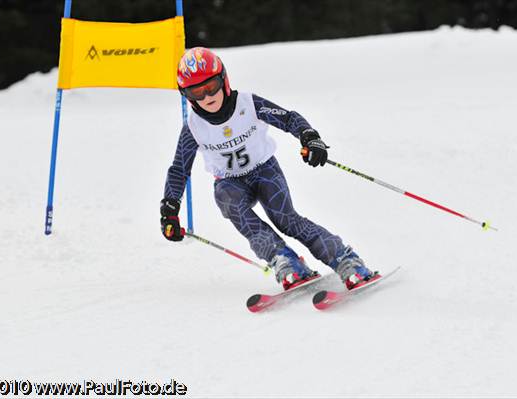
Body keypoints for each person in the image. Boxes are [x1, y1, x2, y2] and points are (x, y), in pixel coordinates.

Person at [160, 47, 376, 290]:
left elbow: (288, 118)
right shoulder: (193, 127)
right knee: (226, 199)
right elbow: (179, 169)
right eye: (196, 92)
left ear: (224, 80)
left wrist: (309, 137)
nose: (207, 96)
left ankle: (346, 261)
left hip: (264, 171)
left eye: (210, 87)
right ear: (186, 95)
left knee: (286, 220)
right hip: (230, 182)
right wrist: (170, 207)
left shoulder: (248, 104)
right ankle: (284, 260)